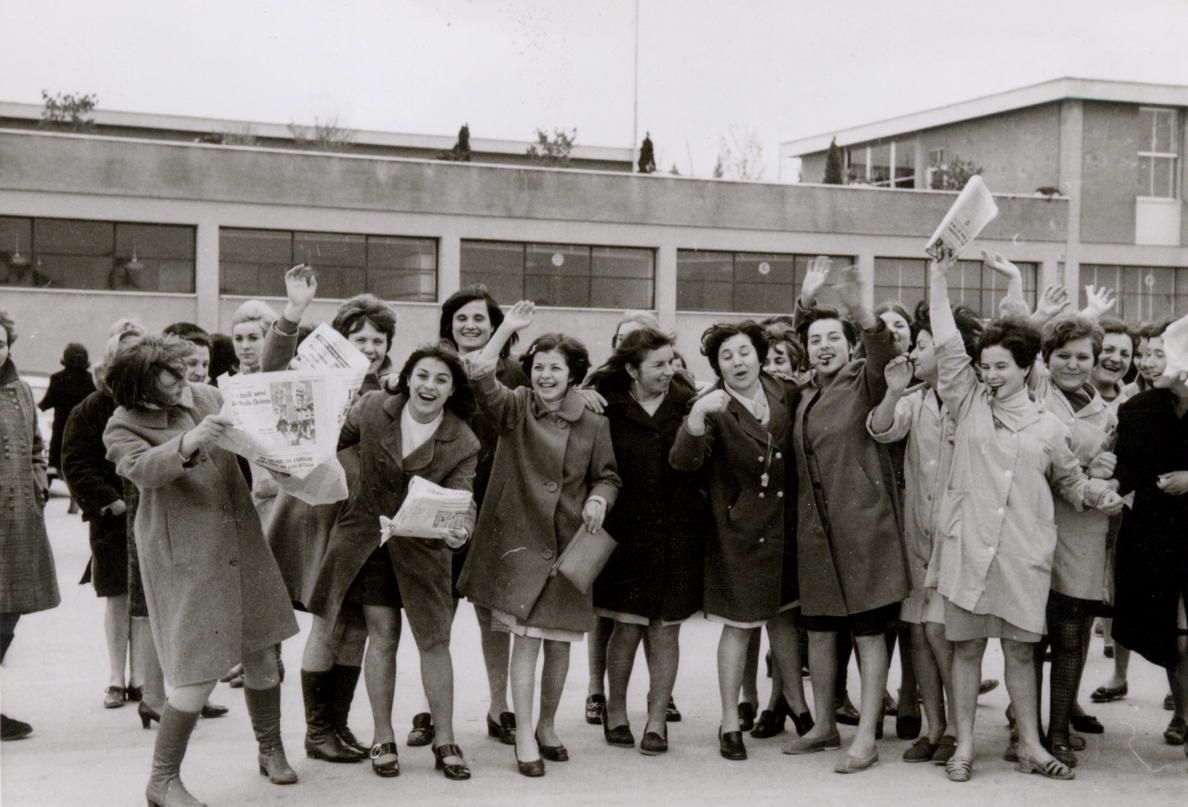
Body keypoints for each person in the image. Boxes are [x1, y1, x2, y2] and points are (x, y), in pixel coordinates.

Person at [927, 255, 1123, 783]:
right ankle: (964, 746)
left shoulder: (1047, 424)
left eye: (1000, 367)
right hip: (969, 549)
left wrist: (1099, 495)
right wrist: (939, 276)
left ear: (1023, 369)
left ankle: (1032, 746)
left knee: (1020, 651)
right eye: (984, 366)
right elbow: (946, 341)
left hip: (1022, 554)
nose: (989, 375)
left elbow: (1070, 484)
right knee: (965, 649)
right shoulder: (966, 401)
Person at [103, 335, 300, 804]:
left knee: (261, 650)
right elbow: (143, 470)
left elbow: (263, 384)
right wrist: (190, 440)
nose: (183, 383)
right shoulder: (121, 424)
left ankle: (269, 748)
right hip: (187, 554)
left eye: (183, 372)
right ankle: (163, 779)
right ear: (140, 385)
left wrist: (290, 319)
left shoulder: (207, 395)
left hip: (240, 538)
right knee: (196, 671)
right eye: (169, 378)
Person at [458, 301, 621, 777]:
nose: (547, 375)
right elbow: (478, 372)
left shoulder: (594, 420)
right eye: (539, 367)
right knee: (525, 640)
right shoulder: (514, 406)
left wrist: (599, 500)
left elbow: (608, 477)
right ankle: (525, 733)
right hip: (521, 543)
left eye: (557, 368)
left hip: (571, 546)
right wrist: (507, 327)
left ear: (574, 376)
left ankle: (548, 725)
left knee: (560, 643)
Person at [305, 345, 480, 780]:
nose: (429, 386)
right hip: (367, 541)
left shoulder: (463, 438)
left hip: (423, 549)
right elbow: (338, 445)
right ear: (407, 377)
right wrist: (355, 481)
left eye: (441, 380)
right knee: (381, 636)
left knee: (434, 643)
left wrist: (460, 529)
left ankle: (445, 738)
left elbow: (462, 499)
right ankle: (384, 736)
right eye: (422, 375)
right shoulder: (372, 408)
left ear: (452, 389)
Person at [262, 264, 396, 765]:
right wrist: (294, 311)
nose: (370, 347)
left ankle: (336, 725)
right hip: (323, 518)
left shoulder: (395, 387)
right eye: (360, 337)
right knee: (329, 622)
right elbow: (271, 372)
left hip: (370, 525)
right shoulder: (315, 380)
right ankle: (317, 732)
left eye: (379, 339)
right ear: (342, 341)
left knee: (358, 624)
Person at [782, 257, 906, 774]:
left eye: (833, 337)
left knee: (869, 634)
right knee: (821, 633)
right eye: (815, 341)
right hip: (817, 536)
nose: (823, 346)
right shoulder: (805, 391)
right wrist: (804, 305)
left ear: (849, 342)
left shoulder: (864, 378)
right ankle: (825, 725)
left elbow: (882, 350)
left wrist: (862, 313)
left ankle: (868, 736)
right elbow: (787, 339)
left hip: (866, 531)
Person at [670, 320, 812, 762]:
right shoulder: (711, 405)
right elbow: (684, 463)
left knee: (786, 621)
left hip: (786, 527)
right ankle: (729, 720)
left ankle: (800, 708)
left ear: (759, 354)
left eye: (744, 352)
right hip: (739, 532)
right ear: (716, 365)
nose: (738, 362)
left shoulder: (782, 391)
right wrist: (694, 420)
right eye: (726, 356)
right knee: (740, 627)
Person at [867, 300, 985, 764]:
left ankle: (959, 726)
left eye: (922, 344)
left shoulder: (974, 399)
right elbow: (881, 429)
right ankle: (934, 726)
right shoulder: (914, 401)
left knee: (947, 633)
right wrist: (894, 392)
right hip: (918, 535)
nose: (914, 353)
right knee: (918, 632)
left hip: (960, 537)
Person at [587, 328, 706, 755]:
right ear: (633, 369)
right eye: (657, 364)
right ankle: (614, 711)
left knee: (665, 629)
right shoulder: (606, 404)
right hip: (625, 531)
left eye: (671, 361)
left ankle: (657, 720)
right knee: (626, 625)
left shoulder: (688, 403)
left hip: (678, 531)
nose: (668, 370)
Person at [435, 285, 530, 746]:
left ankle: (499, 706)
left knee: (493, 615)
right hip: (445, 496)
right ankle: (432, 712)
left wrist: (589, 395)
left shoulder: (514, 371)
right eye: (462, 319)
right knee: (438, 613)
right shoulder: (435, 365)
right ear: (448, 326)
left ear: (494, 325)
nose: (471, 325)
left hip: (497, 499)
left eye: (480, 319)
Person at [1110, 316, 1188, 757]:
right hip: (1156, 535)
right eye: (1153, 352)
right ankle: (1183, 713)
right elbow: (1124, 473)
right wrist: (1100, 482)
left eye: (1167, 352)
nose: (1155, 361)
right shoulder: (1138, 409)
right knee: (1173, 633)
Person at [0, 310, 60, 742]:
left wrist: (37, 483)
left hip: (19, 520)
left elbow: (37, 447)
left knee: (8, 615)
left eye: (0, 344)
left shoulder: (19, 390)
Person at [38, 341, 95, 511]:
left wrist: (38, 406)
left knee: (57, 465)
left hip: (62, 428)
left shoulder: (57, 378)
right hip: (82, 430)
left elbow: (47, 403)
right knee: (78, 464)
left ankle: (43, 500)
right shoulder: (89, 378)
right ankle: (74, 499)